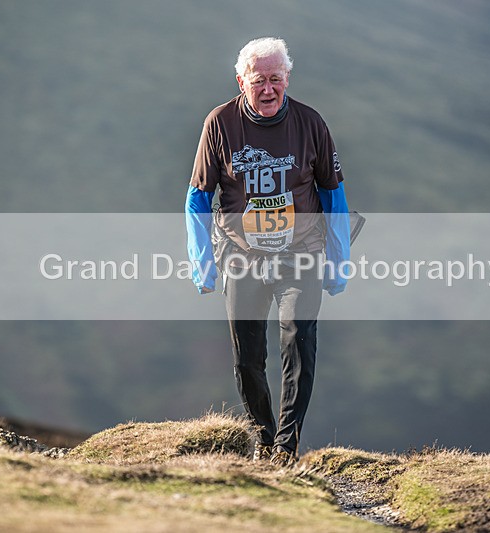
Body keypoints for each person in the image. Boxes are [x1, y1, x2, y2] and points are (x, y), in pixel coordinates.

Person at [185, 37, 351, 466]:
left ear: (287, 78)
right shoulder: (219, 123)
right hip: (242, 255)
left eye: (276, 79)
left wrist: (338, 261)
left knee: (299, 338)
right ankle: (263, 435)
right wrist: (203, 264)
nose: (268, 89)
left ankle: (286, 445)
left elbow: (333, 196)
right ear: (241, 81)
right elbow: (198, 199)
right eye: (259, 80)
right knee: (247, 355)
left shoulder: (311, 124)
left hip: (302, 252)